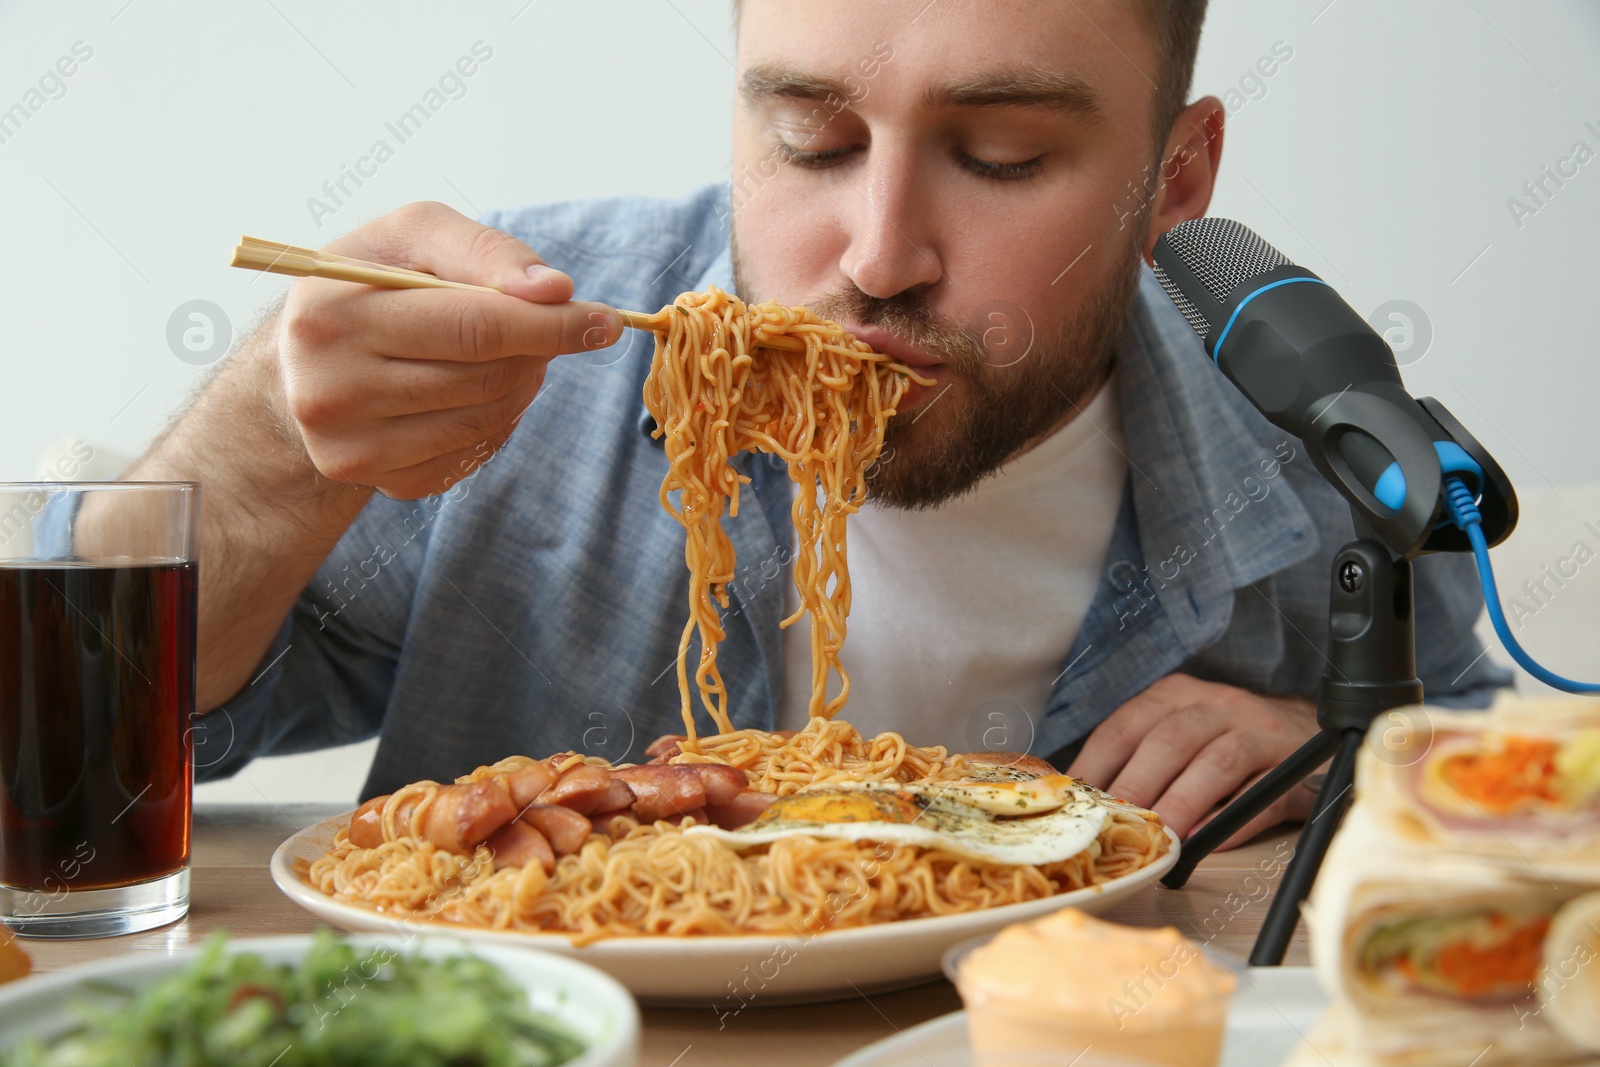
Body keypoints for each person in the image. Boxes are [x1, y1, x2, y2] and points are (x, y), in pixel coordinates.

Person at [126, 0, 1508, 848]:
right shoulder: (509, 366)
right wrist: (258, 453)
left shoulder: (1318, 459)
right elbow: (87, 784)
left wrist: (1356, 752)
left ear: (1175, 177)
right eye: (812, 142)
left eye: (1002, 157)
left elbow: (1482, 759)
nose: (880, 255)